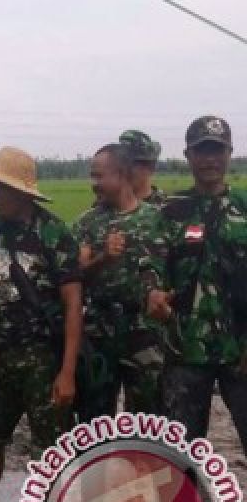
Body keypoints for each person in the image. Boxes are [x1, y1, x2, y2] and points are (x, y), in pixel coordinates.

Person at [0, 148, 82, 500]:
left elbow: (73, 304)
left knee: (50, 448)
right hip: (2, 358)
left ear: (21, 192)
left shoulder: (54, 233)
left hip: (44, 362)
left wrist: (67, 372)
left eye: (1, 188)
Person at [147, 116, 247, 450]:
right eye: (202, 151)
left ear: (229, 153)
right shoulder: (169, 211)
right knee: (182, 455)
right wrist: (152, 293)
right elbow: (151, 266)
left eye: (217, 150)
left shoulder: (244, 208)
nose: (210, 159)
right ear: (188, 155)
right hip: (185, 349)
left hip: (240, 348)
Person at [74, 144, 169, 420]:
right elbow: (76, 278)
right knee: (94, 420)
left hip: (146, 335)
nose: (94, 184)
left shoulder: (158, 219)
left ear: (123, 174)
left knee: (147, 421)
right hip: (99, 333)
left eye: (99, 176)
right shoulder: (87, 222)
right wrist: (103, 258)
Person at [118, 129, 167, 206]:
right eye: (120, 163)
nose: (123, 169)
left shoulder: (166, 209)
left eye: (131, 164)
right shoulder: (106, 206)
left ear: (151, 167)